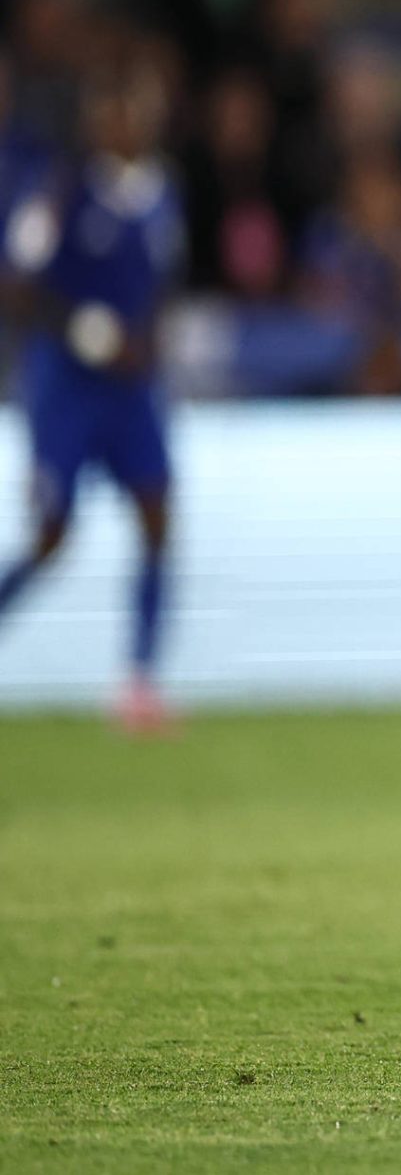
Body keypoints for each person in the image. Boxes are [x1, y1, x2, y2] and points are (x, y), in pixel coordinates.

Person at [0, 63, 187, 732]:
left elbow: (162, 279)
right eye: (113, 112)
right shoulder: (62, 190)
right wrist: (85, 330)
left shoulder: (162, 193)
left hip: (132, 386)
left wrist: (149, 340)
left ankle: (140, 681)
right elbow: (16, 283)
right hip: (66, 384)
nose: (124, 124)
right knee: (52, 536)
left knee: (157, 514)